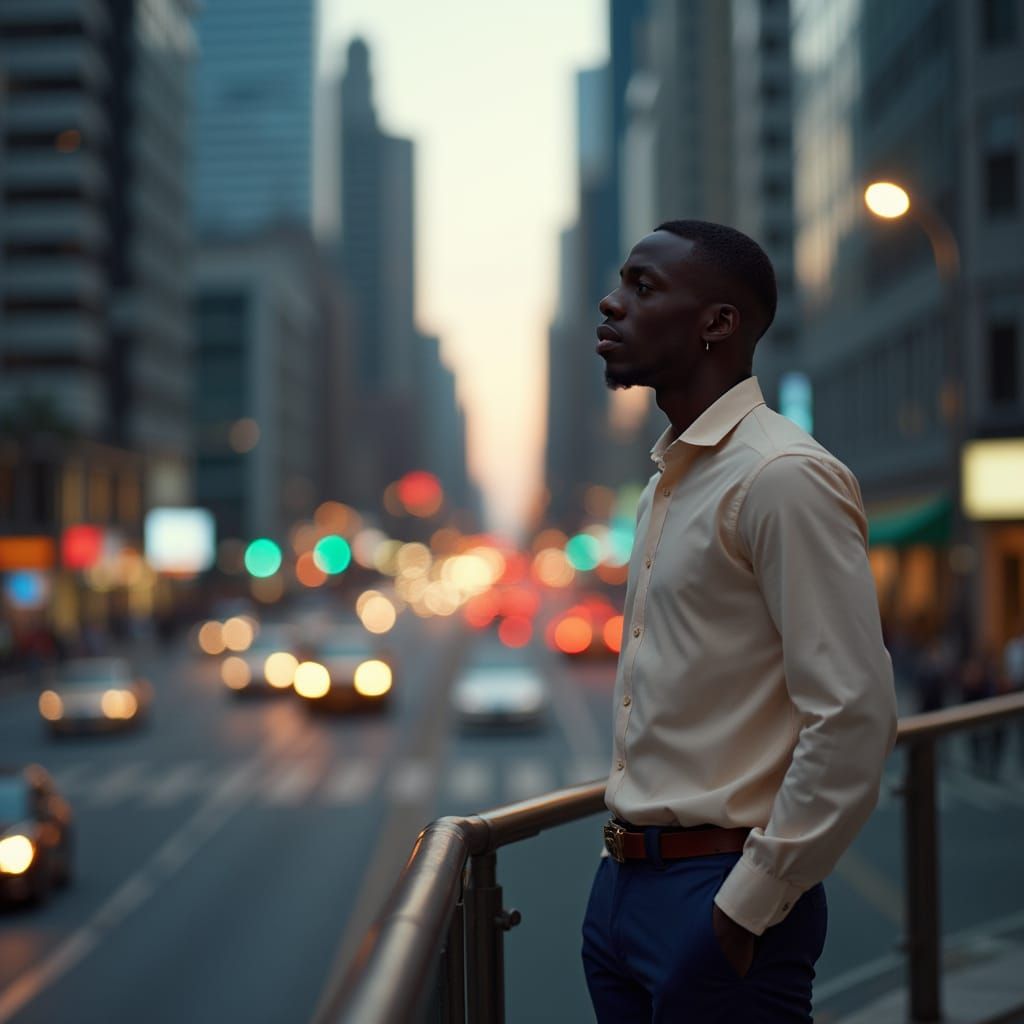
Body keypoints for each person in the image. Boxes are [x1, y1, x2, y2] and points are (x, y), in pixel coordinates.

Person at [581, 220, 898, 1022]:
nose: (611, 305)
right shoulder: (666, 481)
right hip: (624, 890)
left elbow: (854, 717)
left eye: (643, 288)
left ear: (718, 323)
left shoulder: (783, 477)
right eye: (621, 284)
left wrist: (746, 904)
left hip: (718, 895)